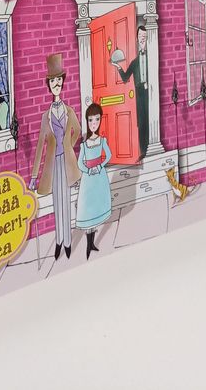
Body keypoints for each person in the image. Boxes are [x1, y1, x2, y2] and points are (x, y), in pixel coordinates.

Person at [29, 53, 81, 260]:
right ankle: (59, 241)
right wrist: (34, 176)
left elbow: (77, 131)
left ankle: (67, 241)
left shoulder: (69, 111)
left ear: (62, 82)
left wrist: (69, 147)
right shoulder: (46, 116)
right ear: (49, 86)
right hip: (53, 165)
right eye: (53, 82)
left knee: (66, 200)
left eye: (59, 80)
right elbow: (40, 146)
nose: (56, 84)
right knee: (57, 201)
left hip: (66, 162)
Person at [76, 103, 112, 259]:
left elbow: (108, 156)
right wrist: (88, 170)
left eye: (97, 119)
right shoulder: (84, 145)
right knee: (88, 208)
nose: (93, 123)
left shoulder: (102, 140)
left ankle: (92, 243)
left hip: (99, 177)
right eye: (91, 120)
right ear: (87, 121)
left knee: (97, 206)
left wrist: (100, 166)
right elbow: (80, 163)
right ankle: (88, 243)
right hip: (88, 179)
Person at [112, 21, 149, 162]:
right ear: (137, 39)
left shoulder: (151, 58)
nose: (142, 39)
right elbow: (125, 77)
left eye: (145, 36)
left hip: (150, 93)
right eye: (140, 36)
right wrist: (118, 67)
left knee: (149, 120)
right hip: (139, 94)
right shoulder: (135, 62)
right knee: (141, 122)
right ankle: (143, 152)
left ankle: (150, 150)